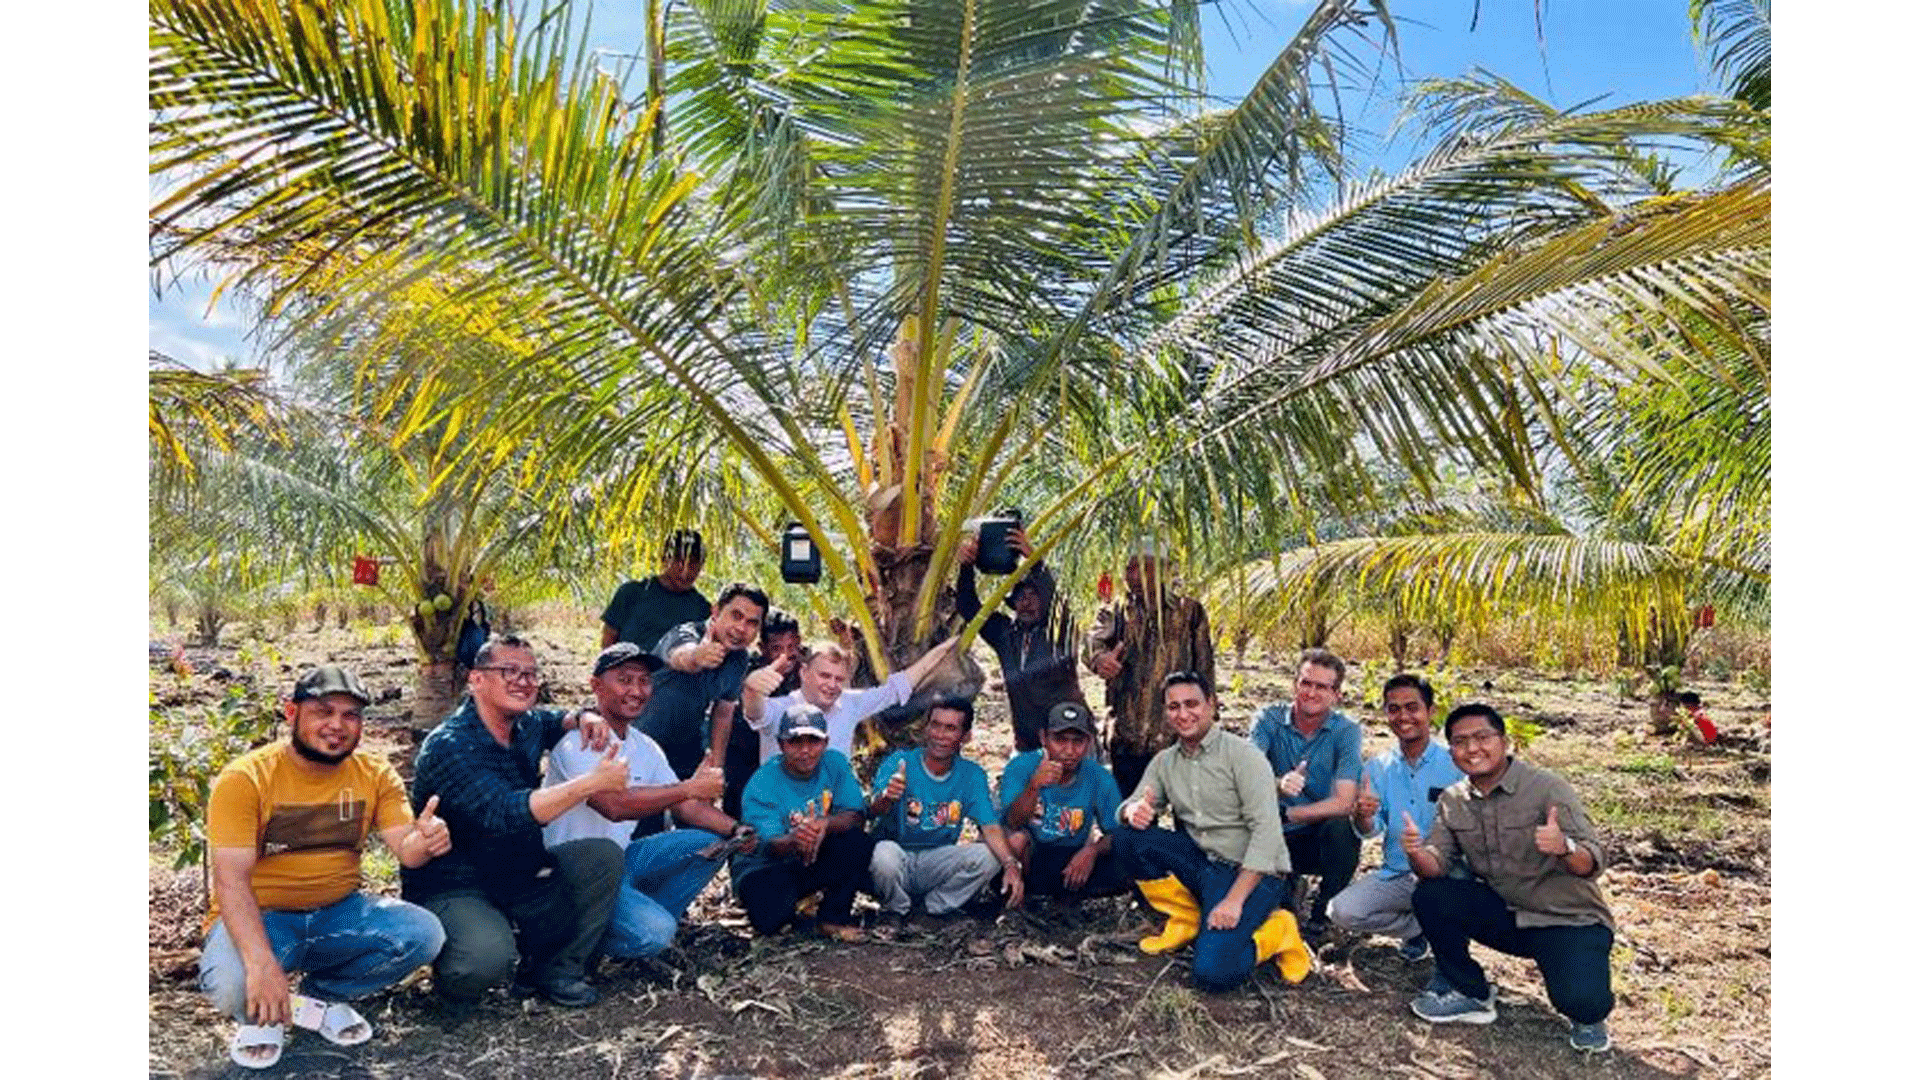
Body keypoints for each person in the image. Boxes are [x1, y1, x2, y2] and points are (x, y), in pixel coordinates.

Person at [200, 666, 450, 1069]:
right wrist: (261, 964)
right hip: (263, 917)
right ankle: (277, 1000)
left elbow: (407, 849)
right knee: (233, 987)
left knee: (421, 934)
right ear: (291, 713)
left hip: (338, 913)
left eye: (351, 715)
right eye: (323, 712)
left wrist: (426, 841)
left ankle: (318, 998)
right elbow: (230, 883)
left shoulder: (374, 774)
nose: (337, 725)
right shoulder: (245, 779)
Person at [404, 635, 629, 1012]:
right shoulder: (450, 745)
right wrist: (591, 784)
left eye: (530, 673)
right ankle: (455, 976)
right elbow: (504, 813)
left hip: (517, 874)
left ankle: (558, 969)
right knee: (484, 960)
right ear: (475, 680)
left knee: (600, 856)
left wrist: (586, 716)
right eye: (508, 671)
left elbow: (555, 719)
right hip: (456, 885)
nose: (522, 681)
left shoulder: (524, 726)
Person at [1402, 704, 1617, 1053]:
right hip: (1508, 915)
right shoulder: (1453, 800)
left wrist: (1564, 847)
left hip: (1566, 918)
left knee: (1583, 1004)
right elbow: (1437, 865)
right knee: (1431, 894)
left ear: (1504, 741)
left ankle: (1586, 1005)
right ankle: (1469, 992)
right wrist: (1415, 852)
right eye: (1460, 742)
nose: (1472, 749)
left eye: (1482, 737)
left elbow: (1592, 862)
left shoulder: (1547, 789)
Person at [543, 643, 755, 961]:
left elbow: (687, 807)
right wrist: (688, 788)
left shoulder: (646, 747)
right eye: (625, 680)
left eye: (644, 681)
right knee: (654, 935)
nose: (637, 691)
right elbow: (614, 806)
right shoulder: (578, 740)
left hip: (623, 860)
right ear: (596, 685)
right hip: (577, 873)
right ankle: (580, 941)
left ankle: (627, 919)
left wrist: (738, 829)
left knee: (708, 845)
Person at [1113, 672, 1310, 992]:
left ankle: (1280, 931)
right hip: (1201, 862)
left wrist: (1233, 901)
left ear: (1212, 705)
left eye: (1192, 704)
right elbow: (1133, 802)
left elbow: (1267, 834)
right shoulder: (1165, 762)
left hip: (1250, 873)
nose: (1183, 714)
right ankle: (1185, 918)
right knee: (1126, 838)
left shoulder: (1244, 757)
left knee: (1213, 972)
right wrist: (1131, 810)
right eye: (1173, 706)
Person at [1326, 674, 1463, 979]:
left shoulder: (1455, 764)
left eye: (1412, 707)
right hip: (1401, 874)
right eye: (1394, 708)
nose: (1403, 716)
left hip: (1449, 875)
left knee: (1453, 904)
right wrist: (1362, 815)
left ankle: (1448, 941)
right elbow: (1371, 829)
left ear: (1430, 710)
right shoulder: (1378, 767)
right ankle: (1417, 929)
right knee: (1342, 911)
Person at [867, 695, 1025, 931]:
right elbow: (871, 811)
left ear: (965, 736)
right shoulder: (900, 762)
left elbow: (989, 825)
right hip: (898, 856)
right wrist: (887, 797)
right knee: (883, 854)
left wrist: (1011, 865)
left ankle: (932, 910)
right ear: (925, 727)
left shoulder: (971, 774)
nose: (940, 735)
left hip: (936, 860)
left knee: (989, 855)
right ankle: (895, 910)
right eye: (935, 725)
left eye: (950, 728)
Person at [733, 705, 877, 942]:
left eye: (814, 741)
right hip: (768, 866)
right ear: (780, 745)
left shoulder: (835, 764)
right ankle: (800, 911)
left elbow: (856, 815)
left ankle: (832, 918)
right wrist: (796, 839)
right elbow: (771, 845)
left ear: (826, 742)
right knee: (768, 920)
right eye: (795, 742)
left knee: (857, 842)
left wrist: (824, 825)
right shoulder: (762, 783)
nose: (806, 751)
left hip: (812, 857)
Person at [1084, 540, 1214, 796]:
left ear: (1164, 571)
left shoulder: (1189, 612)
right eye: (1130, 568)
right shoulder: (1117, 611)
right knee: (1133, 813)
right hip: (1127, 735)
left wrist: (1206, 722)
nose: (1133, 576)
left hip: (1177, 735)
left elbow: (1205, 667)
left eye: (1144, 568)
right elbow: (1091, 641)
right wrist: (1099, 659)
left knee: (1188, 815)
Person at [1248, 648, 1362, 938]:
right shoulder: (1268, 719)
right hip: (1267, 832)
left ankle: (1323, 912)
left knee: (1343, 828)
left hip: (1313, 832)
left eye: (1322, 687)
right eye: (1306, 683)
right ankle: (1286, 887)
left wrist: (1291, 813)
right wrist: (1277, 784)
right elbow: (1246, 772)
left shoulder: (1346, 732)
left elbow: (1344, 802)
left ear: (1336, 694)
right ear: (1294, 684)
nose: (1311, 693)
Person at [956, 527, 1085, 752]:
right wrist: (966, 566)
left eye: (1034, 596)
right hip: (1028, 743)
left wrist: (1034, 559)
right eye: (1021, 597)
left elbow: (1055, 600)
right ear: (1013, 604)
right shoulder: (1006, 634)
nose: (1027, 602)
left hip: (1070, 742)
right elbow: (969, 608)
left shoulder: (1058, 630)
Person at [741, 638, 962, 765]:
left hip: (834, 817)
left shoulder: (849, 704)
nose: (832, 684)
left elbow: (896, 689)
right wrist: (752, 689)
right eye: (824, 676)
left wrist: (944, 649)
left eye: (839, 679)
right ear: (804, 673)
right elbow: (755, 712)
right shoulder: (781, 709)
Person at [998, 702, 1128, 901]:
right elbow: (1012, 823)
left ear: (1090, 741)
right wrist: (1034, 786)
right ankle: (1020, 897)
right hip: (1031, 854)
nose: (1069, 750)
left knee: (1128, 860)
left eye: (1078, 741)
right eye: (1059, 740)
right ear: (1043, 738)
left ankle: (1064, 897)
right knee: (1016, 841)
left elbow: (1116, 833)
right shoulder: (1021, 767)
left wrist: (1092, 851)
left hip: (1071, 856)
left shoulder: (1099, 777)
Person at [637, 581, 769, 779]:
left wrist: (716, 770)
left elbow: (723, 714)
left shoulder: (739, 659)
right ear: (715, 612)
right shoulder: (686, 633)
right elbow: (680, 656)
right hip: (640, 745)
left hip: (685, 758)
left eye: (752, 623)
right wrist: (697, 656)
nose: (741, 628)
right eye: (736, 616)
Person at [723, 609, 803, 818]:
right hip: (745, 758)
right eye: (777, 648)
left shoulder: (806, 673)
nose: (785, 655)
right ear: (762, 648)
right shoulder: (747, 674)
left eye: (791, 647)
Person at [601, 528, 711, 650]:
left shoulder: (702, 609)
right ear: (664, 559)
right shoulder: (631, 593)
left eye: (693, 563)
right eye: (679, 561)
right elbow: (608, 643)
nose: (686, 570)